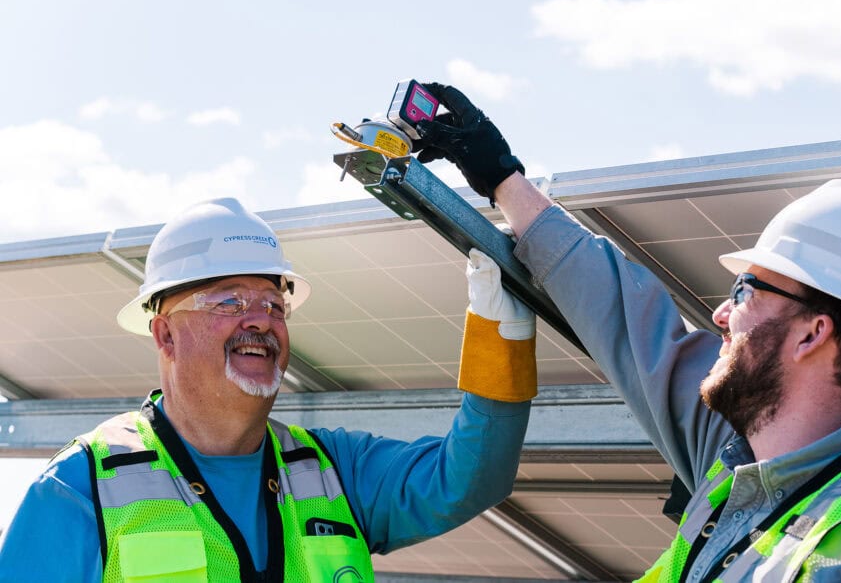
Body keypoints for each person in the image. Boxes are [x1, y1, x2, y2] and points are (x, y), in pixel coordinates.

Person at [412, 84, 841, 582]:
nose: (719, 314)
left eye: (745, 291)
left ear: (812, 334)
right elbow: (628, 320)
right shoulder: (742, 454)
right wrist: (501, 177)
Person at [0, 197, 537, 582]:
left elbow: (469, 479)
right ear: (165, 334)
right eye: (230, 302)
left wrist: (502, 339)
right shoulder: (81, 487)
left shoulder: (334, 469)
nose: (259, 321)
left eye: (273, 305)